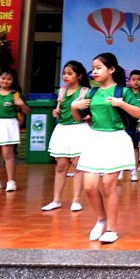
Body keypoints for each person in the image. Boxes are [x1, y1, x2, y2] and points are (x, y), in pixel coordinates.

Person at [71, 52, 140, 243]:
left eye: (98, 68)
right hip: (94, 139)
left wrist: (121, 103)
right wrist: (74, 107)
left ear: (111, 69)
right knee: (89, 187)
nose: (94, 72)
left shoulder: (123, 91)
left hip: (116, 139)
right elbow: (80, 118)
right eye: (93, 68)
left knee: (108, 185)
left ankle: (112, 229)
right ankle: (101, 219)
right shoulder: (91, 93)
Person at [42, 60, 90, 212]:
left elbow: (90, 111)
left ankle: (76, 200)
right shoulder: (61, 91)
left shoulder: (85, 92)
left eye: (70, 73)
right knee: (61, 165)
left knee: (77, 165)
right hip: (62, 129)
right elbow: (59, 109)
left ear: (79, 75)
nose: (65, 76)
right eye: (64, 73)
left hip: (79, 129)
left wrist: (87, 116)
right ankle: (56, 200)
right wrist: (55, 112)